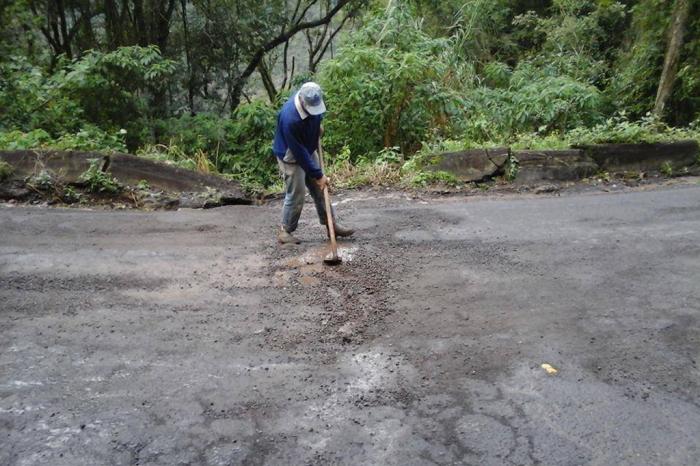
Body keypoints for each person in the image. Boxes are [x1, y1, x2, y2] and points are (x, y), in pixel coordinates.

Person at [272, 82, 354, 244]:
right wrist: (318, 174)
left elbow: (317, 116)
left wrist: (318, 128)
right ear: (302, 101)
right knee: (297, 193)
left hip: (307, 149)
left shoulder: (313, 98)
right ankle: (285, 231)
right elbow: (299, 153)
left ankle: (331, 226)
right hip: (291, 155)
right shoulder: (290, 118)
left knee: (320, 189)